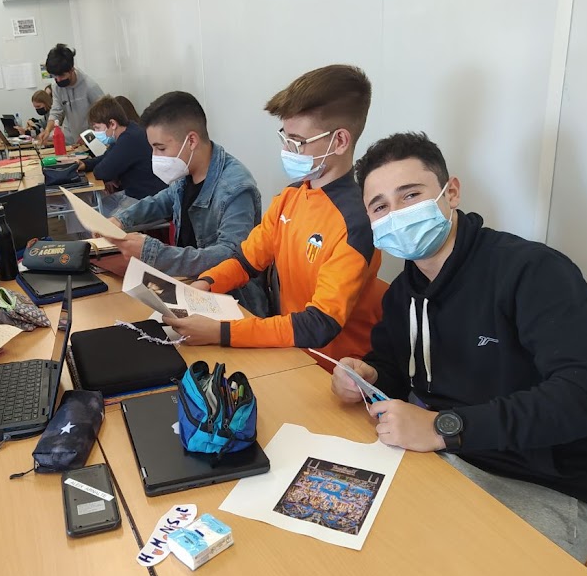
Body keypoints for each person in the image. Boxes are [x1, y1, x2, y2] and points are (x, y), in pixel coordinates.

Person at [331, 131, 587, 564]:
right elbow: (397, 365)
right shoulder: (402, 294)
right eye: (380, 207)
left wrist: (442, 427)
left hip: (547, 484)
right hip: (447, 458)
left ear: (450, 193)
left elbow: (584, 395)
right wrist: (368, 376)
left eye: (411, 195)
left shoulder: (532, 271)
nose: (397, 214)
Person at [163, 66, 385, 366]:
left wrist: (221, 332)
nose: (286, 149)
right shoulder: (290, 198)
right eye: (285, 137)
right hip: (290, 352)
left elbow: (320, 324)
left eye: (297, 141)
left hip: (334, 368)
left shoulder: (355, 222)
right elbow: (247, 260)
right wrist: (204, 285)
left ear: (340, 141)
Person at [106, 91, 267, 317]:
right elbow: (163, 200)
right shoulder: (188, 171)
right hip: (190, 286)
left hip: (233, 303)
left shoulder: (236, 188)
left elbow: (231, 257)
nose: (155, 156)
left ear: (191, 141)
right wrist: (120, 220)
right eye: (153, 148)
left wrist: (154, 253)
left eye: (161, 148)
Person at [78, 96, 166, 214]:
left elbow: (101, 172)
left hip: (146, 199)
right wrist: (84, 164)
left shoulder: (129, 139)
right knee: (91, 210)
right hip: (134, 193)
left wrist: (110, 173)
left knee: (98, 219)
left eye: (97, 128)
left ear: (112, 124)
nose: (96, 133)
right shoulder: (129, 130)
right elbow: (106, 157)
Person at [36, 44, 105, 146]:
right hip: (72, 140)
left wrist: (90, 135)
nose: (58, 80)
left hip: (93, 140)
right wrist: (47, 130)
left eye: (61, 75)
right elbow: (56, 112)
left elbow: (104, 116)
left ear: (72, 69)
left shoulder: (90, 86)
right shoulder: (57, 87)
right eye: (55, 76)